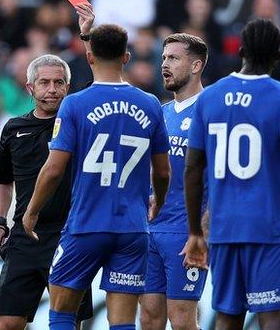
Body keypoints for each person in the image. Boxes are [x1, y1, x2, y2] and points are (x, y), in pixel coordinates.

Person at [23, 22, 171, 329]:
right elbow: (164, 170)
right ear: (126, 57)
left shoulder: (74, 104)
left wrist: (31, 211)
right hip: (132, 228)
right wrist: (158, 202)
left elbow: (53, 169)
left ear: (90, 59)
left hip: (86, 224)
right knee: (122, 321)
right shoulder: (151, 104)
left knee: (62, 312)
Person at [183, 19, 280, 330]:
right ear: (278, 56)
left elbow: (192, 168)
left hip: (223, 227)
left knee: (227, 317)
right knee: (271, 318)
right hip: (270, 226)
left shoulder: (209, 98)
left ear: (240, 51)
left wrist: (195, 232)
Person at [0, 54, 93, 330]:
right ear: (29, 87)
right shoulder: (14, 129)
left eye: (59, 83)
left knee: (67, 322)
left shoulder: (80, 125)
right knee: (8, 323)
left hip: (69, 235)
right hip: (24, 238)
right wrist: (0, 221)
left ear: (68, 88)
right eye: (44, 82)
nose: (52, 89)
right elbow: (2, 181)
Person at [139, 33, 209, 330]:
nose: (164, 65)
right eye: (164, 58)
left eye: (173, 58)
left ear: (195, 66)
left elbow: (223, 178)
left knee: (182, 320)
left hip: (185, 233)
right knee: (149, 319)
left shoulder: (211, 109)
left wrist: (202, 233)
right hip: (151, 230)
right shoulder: (161, 113)